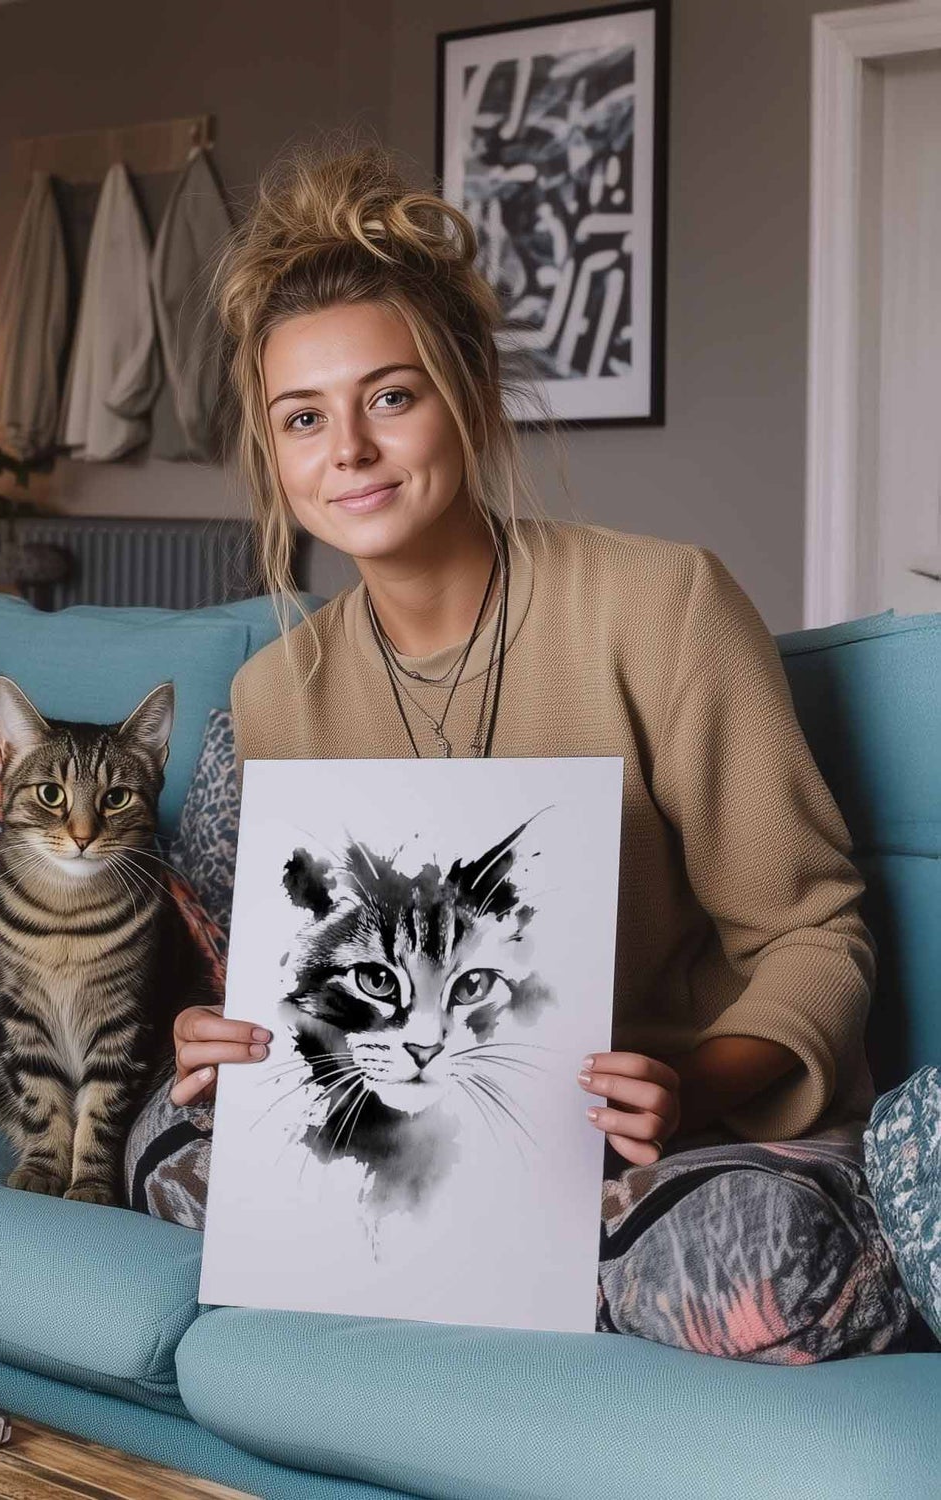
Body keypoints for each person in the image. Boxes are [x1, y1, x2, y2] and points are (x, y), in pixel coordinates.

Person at [125, 142, 922, 1363]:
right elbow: (316, 998)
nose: (348, 450)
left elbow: (816, 936)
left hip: (670, 1142)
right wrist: (232, 1045)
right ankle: (516, 1269)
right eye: (304, 418)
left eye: (391, 397)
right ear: (274, 456)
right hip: (421, 1138)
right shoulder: (276, 693)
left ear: (473, 398)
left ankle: (520, 1264)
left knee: (757, 1249)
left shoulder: (665, 606)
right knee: (162, 1144)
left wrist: (697, 1084)